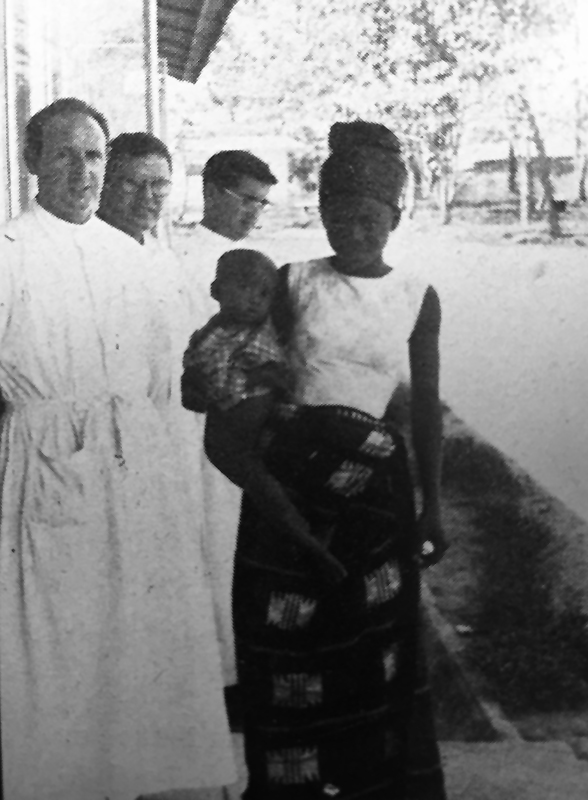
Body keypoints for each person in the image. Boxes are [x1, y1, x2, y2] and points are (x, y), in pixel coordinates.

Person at [0, 98, 235, 800]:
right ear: (31, 160)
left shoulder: (127, 254)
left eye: (95, 155)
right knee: (60, 642)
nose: (83, 170)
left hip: (138, 463)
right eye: (65, 153)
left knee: (139, 637)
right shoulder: (10, 251)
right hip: (47, 466)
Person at [231, 120, 448, 800]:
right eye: (336, 213)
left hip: (374, 499)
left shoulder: (418, 296)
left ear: (396, 215)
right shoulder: (293, 281)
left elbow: (422, 410)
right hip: (291, 494)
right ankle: (292, 786)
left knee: (372, 647)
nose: (352, 228)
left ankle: (370, 783)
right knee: (289, 643)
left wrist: (431, 504)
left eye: (368, 215)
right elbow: (256, 383)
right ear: (319, 212)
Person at [182, 249, 347, 589]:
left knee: (264, 486)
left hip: (257, 427)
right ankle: (308, 528)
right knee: (261, 487)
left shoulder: (262, 334)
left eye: (264, 293)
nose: (255, 301)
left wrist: (268, 378)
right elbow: (192, 387)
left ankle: (311, 544)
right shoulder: (205, 335)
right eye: (244, 288)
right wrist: (195, 390)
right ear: (217, 291)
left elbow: (285, 377)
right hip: (224, 433)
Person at [182, 151, 278, 694]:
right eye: (247, 199)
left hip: (246, 426)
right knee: (209, 547)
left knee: (243, 548)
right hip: (196, 425)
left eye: (262, 203)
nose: (254, 213)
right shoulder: (180, 258)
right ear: (213, 192)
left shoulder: (257, 262)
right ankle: (217, 679)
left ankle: (240, 672)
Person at [98, 131, 173, 249]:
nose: (146, 196)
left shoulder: (159, 255)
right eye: (132, 183)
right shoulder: (84, 249)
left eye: (159, 185)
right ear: (105, 184)